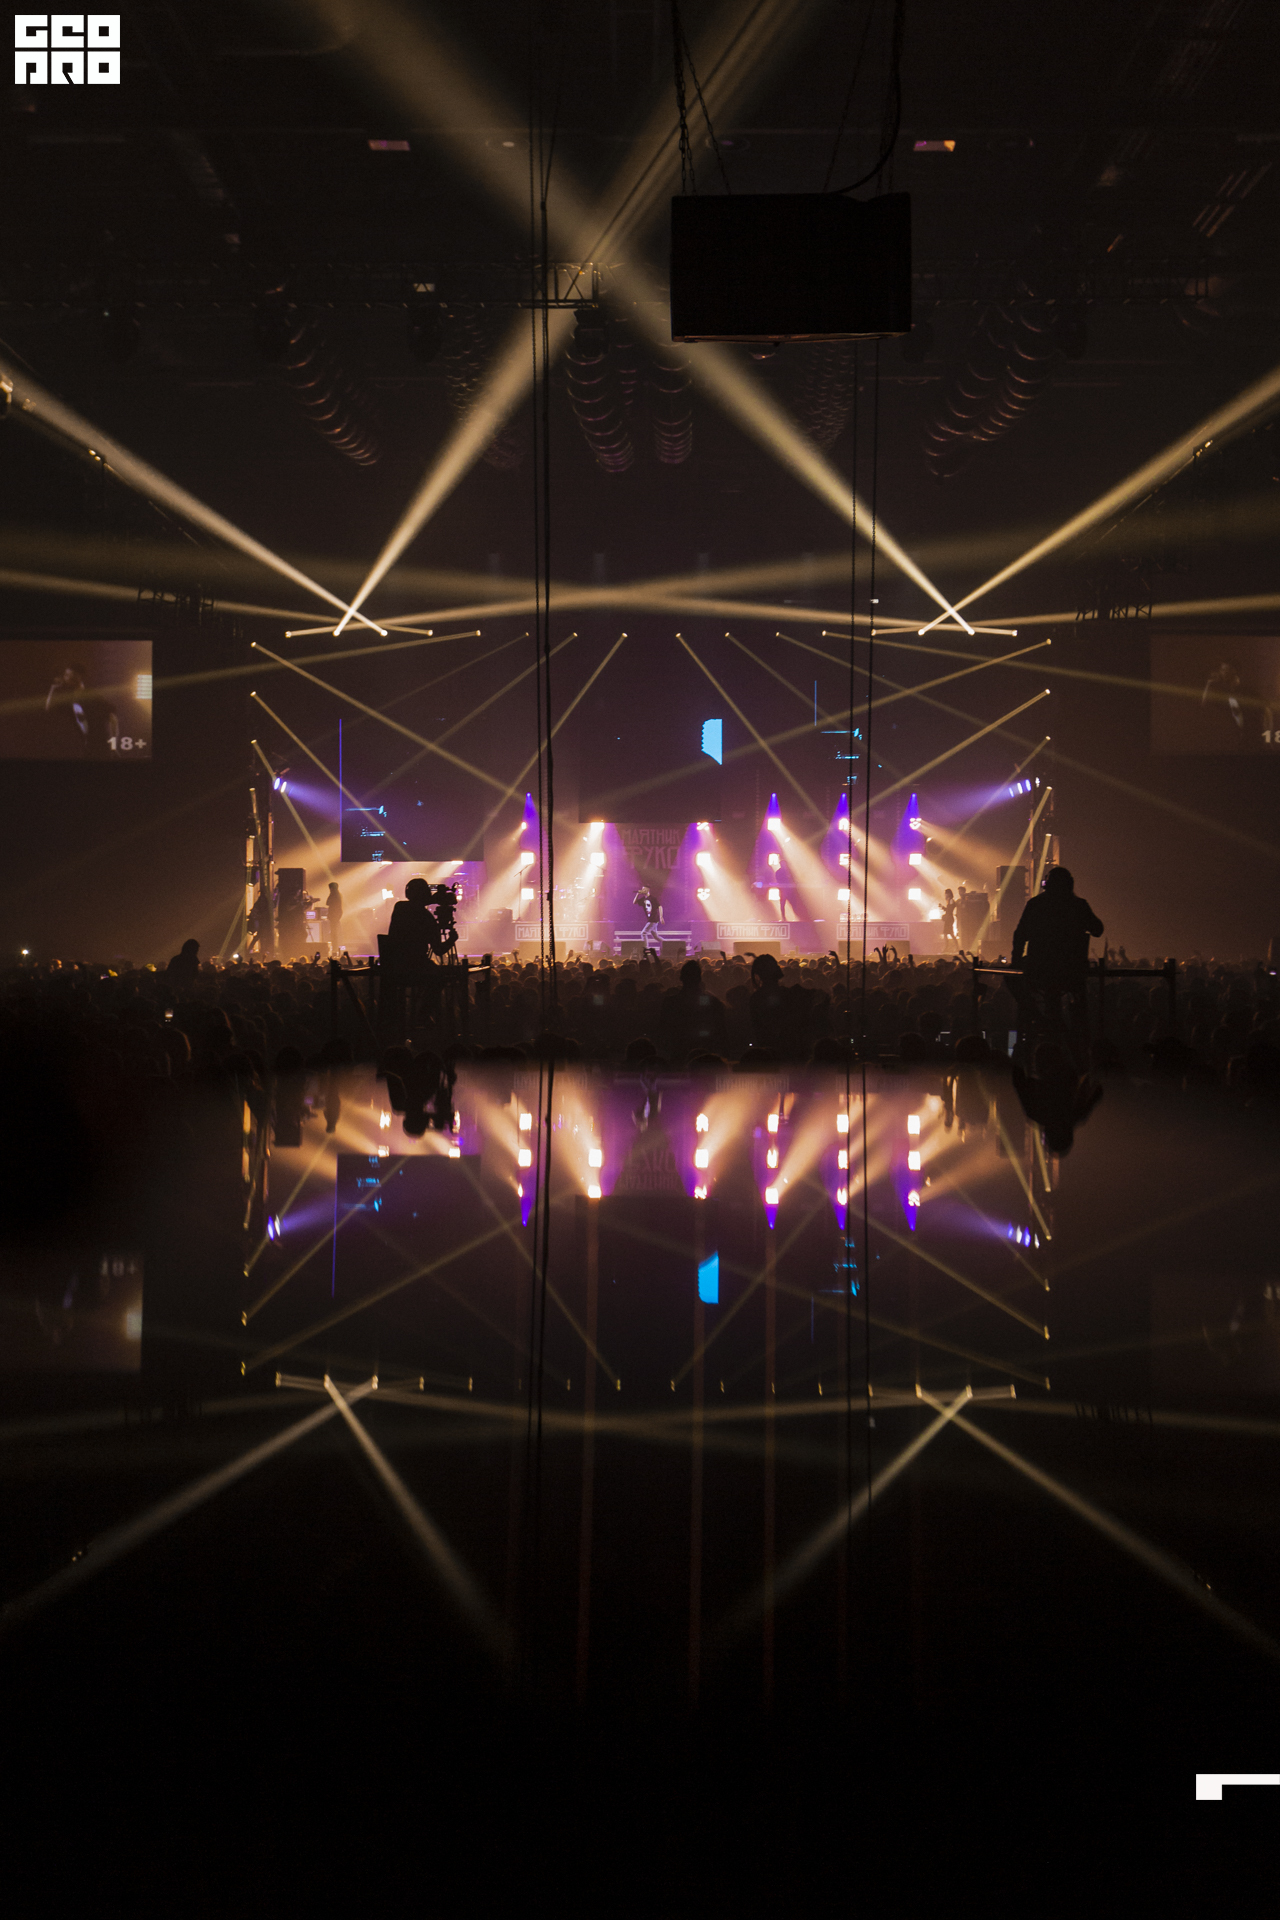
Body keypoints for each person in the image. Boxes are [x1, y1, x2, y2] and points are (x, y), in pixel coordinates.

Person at [1011, 866, 1104, 991]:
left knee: (1010, 977)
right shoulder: (1080, 905)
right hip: (1073, 967)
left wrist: (1016, 960)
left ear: (1047, 884)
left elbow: (1020, 935)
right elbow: (1098, 930)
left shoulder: (1035, 905)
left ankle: (1030, 1004)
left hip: (1040, 966)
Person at [45, 663, 118, 759]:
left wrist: (113, 747)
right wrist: (53, 689)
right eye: (65, 675)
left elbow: (112, 719)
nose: (66, 678)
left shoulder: (92, 696)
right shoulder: (68, 698)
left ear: (79, 677)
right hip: (81, 748)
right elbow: (49, 708)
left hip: (99, 746)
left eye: (70, 675)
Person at [386, 877, 444, 967]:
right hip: (418, 964)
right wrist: (452, 939)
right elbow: (438, 950)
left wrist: (429, 900)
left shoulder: (399, 907)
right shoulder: (426, 917)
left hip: (396, 963)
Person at [325, 881, 344, 956]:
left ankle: (335, 949)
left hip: (334, 916)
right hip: (337, 915)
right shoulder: (339, 895)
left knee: (334, 933)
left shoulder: (333, 895)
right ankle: (336, 948)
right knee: (335, 932)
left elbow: (327, 902)